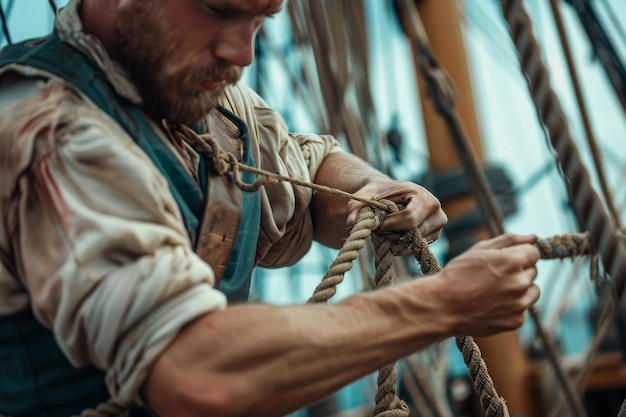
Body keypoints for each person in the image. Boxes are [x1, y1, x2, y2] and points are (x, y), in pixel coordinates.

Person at [0, 1, 541, 416]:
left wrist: (369, 188)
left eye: (261, 18)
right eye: (218, 10)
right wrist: (442, 305)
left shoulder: (203, 99)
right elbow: (193, 374)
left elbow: (303, 179)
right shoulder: (50, 134)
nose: (243, 54)